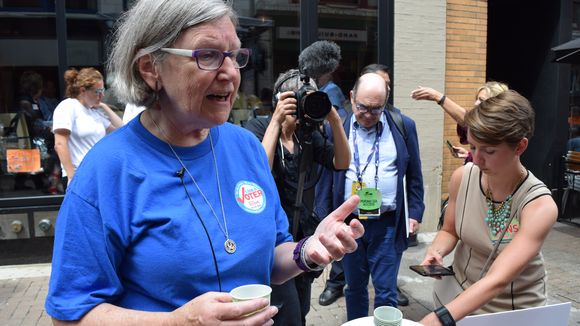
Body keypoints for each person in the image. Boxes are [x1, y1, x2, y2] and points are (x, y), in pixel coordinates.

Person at [44, 1, 365, 325]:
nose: (230, 73)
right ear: (150, 68)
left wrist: (307, 251)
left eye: (235, 56)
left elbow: (270, 258)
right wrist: (179, 322)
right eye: (208, 55)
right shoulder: (106, 171)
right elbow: (70, 315)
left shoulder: (246, 148)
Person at [418, 90, 558, 326]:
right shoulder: (463, 177)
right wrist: (437, 250)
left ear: (520, 147)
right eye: (473, 147)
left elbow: (498, 279)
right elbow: (449, 230)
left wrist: (437, 320)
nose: (477, 158)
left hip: (509, 312)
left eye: (489, 151)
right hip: (455, 297)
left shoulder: (538, 205)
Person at [244, 69, 350, 325]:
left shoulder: (309, 134)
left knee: (300, 308)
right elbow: (258, 174)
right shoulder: (259, 126)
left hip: (302, 238)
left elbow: (342, 161)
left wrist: (334, 119)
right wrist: (277, 123)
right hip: (272, 239)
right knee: (281, 310)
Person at [331, 72, 424, 321]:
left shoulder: (404, 126)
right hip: (349, 223)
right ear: (351, 98)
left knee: (385, 290)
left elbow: (414, 173)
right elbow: (325, 175)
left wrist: (414, 213)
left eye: (376, 108)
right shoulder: (336, 127)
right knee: (355, 287)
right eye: (363, 107)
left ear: (386, 102)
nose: (369, 114)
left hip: (387, 224)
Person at [52, 67, 123, 190]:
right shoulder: (68, 106)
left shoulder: (94, 111)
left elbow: (122, 130)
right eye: (97, 91)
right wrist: (71, 176)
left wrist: (104, 106)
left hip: (98, 174)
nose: (102, 95)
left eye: (103, 90)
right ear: (83, 90)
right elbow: (60, 143)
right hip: (79, 174)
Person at [411, 81, 509, 161]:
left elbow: (467, 121)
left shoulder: (501, 126)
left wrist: (438, 97)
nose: (476, 103)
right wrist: (468, 155)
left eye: (481, 100)